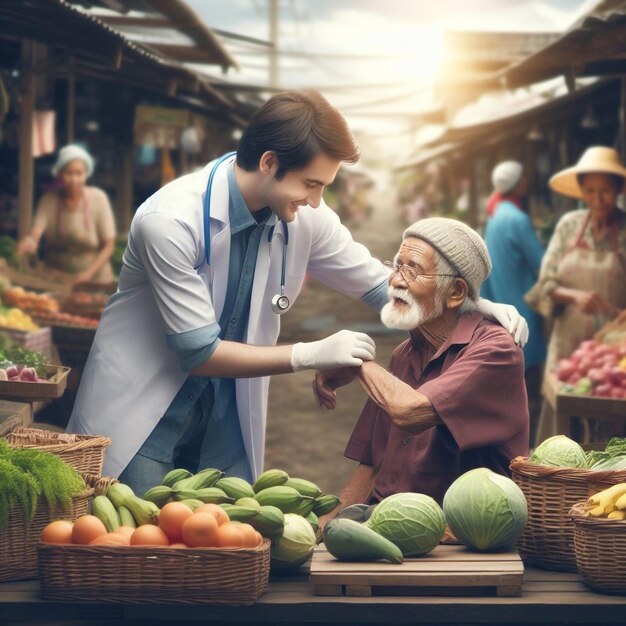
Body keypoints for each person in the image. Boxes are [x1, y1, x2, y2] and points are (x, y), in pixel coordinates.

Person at [67, 90, 527, 494]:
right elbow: (198, 351)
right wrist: (310, 354)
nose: (315, 201)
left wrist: (473, 303)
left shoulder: (305, 215)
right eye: (311, 183)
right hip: (146, 413)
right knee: (138, 554)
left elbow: (376, 284)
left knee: (222, 551)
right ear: (269, 162)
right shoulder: (169, 222)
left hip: (225, 416)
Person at [313, 217, 530, 521]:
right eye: (397, 266)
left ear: (455, 293)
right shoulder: (405, 353)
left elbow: (410, 410)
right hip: (389, 520)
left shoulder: (496, 350)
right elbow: (374, 465)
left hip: (455, 535)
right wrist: (327, 523)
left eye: (413, 270)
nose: (396, 280)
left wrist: (356, 360)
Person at [529, 146, 626, 443]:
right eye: (591, 190)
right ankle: (562, 485)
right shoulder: (569, 226)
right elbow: (546, 284)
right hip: (569, 345)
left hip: (615, 348)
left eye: (606, 191)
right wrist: (575, 296)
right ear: (582, 192)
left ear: (619, 190)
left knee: (611, 426)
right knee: (564, 424)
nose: (598, 199)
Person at [482, 161, 546, 445]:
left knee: (511, 385)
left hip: (501, 310)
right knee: (530, 389)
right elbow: (543, 263)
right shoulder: (517, 219)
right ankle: (527, 447)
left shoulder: (495, 215)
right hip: (524, 313)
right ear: (518, 184)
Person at [16, 144, 116, 285]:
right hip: (55, 280)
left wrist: (88, 274)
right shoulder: (49, 200)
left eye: (79, 174)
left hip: (95, 281)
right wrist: (30, 242)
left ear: (86, 174)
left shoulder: (99, 199)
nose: (74, 180)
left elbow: (109, 245)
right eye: (68, 173)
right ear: (60, 174)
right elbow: (36, 232)